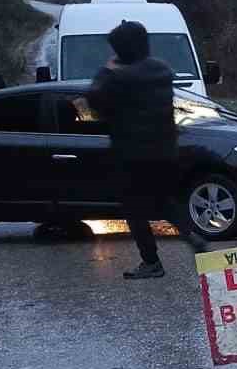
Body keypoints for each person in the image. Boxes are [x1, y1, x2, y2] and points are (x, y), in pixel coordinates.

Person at [86, 20, 202, 279]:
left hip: (130, 155)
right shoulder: (162, 70)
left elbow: (95, 102)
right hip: (164, 151)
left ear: (121, 50)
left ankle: (151, 262)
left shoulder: (116, 77)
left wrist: (106, 69)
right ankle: (192, 235)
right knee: (164, 201)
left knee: (134, 210)